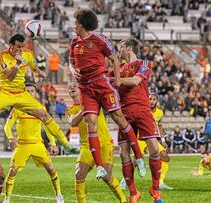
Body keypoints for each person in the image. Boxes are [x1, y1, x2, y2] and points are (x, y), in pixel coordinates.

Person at [0, 34, 76, 158]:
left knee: (44, 115)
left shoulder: (27, 55)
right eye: (18, 47)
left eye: (22, 47)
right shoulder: (1, 57)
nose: (20, 50)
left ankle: (66, 144)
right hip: (5, 92)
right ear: (10, 45)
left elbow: (34, 67)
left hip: (21, 93)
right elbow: (10, 77)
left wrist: (38, 73)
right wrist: (17, 63)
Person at [69, 8, 145, 179]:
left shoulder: (100, 39)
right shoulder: (74, 43)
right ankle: (99, 167)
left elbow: (114, 59)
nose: (74, 26)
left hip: (101, 84)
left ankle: (139, 156)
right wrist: (73, 71)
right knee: (90, 123)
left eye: (76, 23)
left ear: (83, 24)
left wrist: (117, 80)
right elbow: (71, 63)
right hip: (85, 88)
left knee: (118, 118)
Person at [112, 38, 163, 203]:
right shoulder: (118, 68)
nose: (119, 52)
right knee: (123, 153)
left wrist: (117, 81)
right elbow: (101, 78)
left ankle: (155, 190)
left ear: (128, 47)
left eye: (120, 49)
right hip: (124, 115)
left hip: (143, 110)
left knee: (155, 149)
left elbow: (135, 81)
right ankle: (134, 193)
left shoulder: (144, 63)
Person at [3, 82, 64, 203]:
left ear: (35, 93)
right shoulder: (17, 108)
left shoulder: (40, 108)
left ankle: (59, 195)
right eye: (28, 90)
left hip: (37, 144)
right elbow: (7, 126)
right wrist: (10, 138)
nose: (30, 93)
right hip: (22, 145)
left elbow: (47, 127)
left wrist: (53, 144)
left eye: (32, 91)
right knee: (12, 171)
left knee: (51, 169)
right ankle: (7, 198)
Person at [66, 82, 126, 203]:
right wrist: (84, 108)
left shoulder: (94, 100)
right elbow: (73, 122)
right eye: (69, 87)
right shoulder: (70, 110)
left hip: (104, 143)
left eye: (74, 86)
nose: (72, 88)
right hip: (87, 146)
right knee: (79, 175)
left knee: (106, 176)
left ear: (80, 89)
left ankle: (123, 200)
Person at [120, 93, 173, 190]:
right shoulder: (142, 110)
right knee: (136, 161)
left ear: (157, 101)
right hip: (140, 138)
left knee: (165, 157)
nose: (152, 101)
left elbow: (159, 125)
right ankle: (124, 180)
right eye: (150, 99)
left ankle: (160, 182)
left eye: (154, 99)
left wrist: (162, 140)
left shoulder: (160, 112)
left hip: (151, 138)